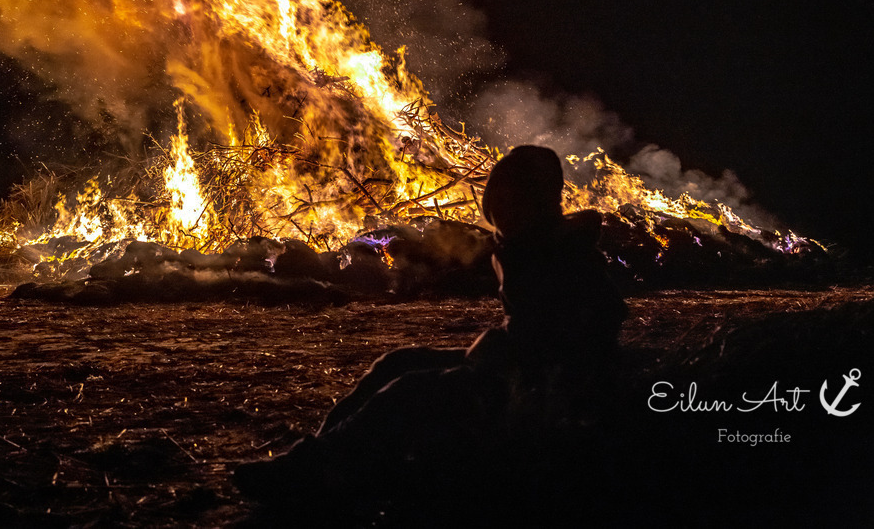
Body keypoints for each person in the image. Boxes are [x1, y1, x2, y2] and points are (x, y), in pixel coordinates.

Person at [233, 145, 626, 516]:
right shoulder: (522, 245)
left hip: (541, 390)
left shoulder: (563, 251)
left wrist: (516, 360)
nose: (501, 216)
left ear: (534, 202)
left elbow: (589, 326)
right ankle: (315, 457)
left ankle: (324, 471)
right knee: (397, 363)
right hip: (517, 367)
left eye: (510, 203)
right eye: (497, 205)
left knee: (411, 391)